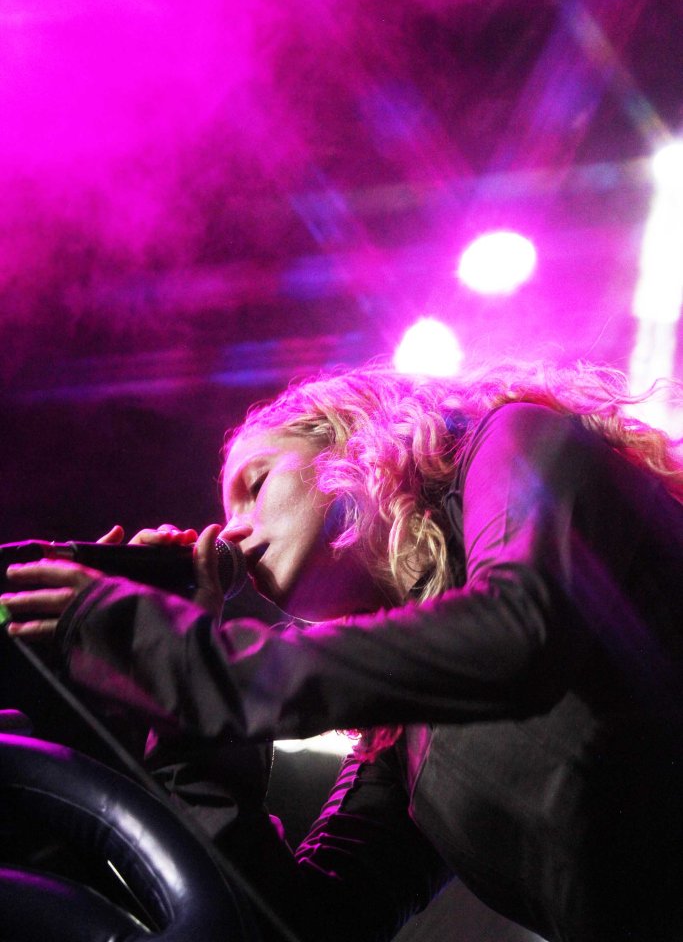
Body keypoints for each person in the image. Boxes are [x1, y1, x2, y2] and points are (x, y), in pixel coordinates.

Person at [3, 361, 683, 942]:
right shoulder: (402, 745)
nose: (228, 534)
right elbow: (299, 929)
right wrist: (181, 721)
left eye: (255, 486)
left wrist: (187, 659)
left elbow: (519, 635)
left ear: (345, 437)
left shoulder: (516, 437)